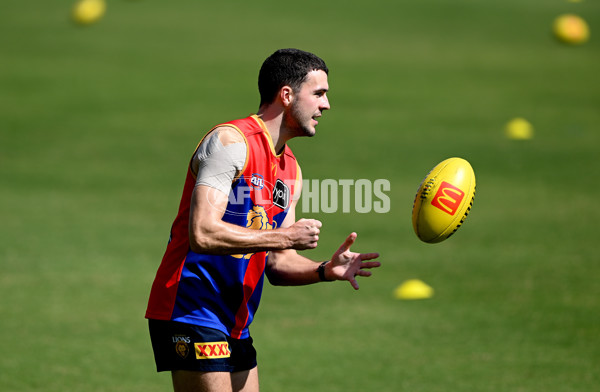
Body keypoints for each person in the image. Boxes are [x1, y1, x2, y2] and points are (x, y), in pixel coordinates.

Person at [145, 48, 381, 392]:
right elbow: (203, 233)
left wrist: (323, 270)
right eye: (318, 94)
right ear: (286, 95)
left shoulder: (291, 171)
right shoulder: (230, 142)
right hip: (191, 306)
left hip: (236, 321)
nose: (326, 105)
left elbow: (277, 265)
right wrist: (284, 237)